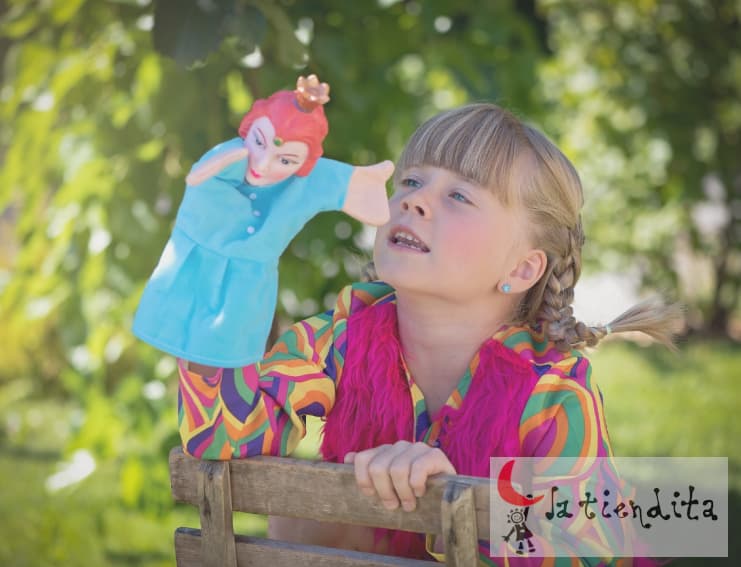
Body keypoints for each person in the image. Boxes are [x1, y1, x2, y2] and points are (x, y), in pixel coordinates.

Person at [178, 103, 682, 564]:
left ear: (523, 269)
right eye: (412, 180)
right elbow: (224, 438)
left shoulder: (552, 392)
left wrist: (457, 504)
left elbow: (585, 550)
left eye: (459, 195)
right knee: (305, 521)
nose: (415, 202)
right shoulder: (342, 337)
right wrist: (224, 278)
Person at [132, 75, 392, 367]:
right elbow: (199, 174)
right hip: (194, 265)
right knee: (188, 352)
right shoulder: (227, 160)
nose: (265, 163)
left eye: (286, 160)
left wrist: (369, 185)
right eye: (260, 142)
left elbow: (348, 187)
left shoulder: (306, 182)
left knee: (223, 364)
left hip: (246, 286)